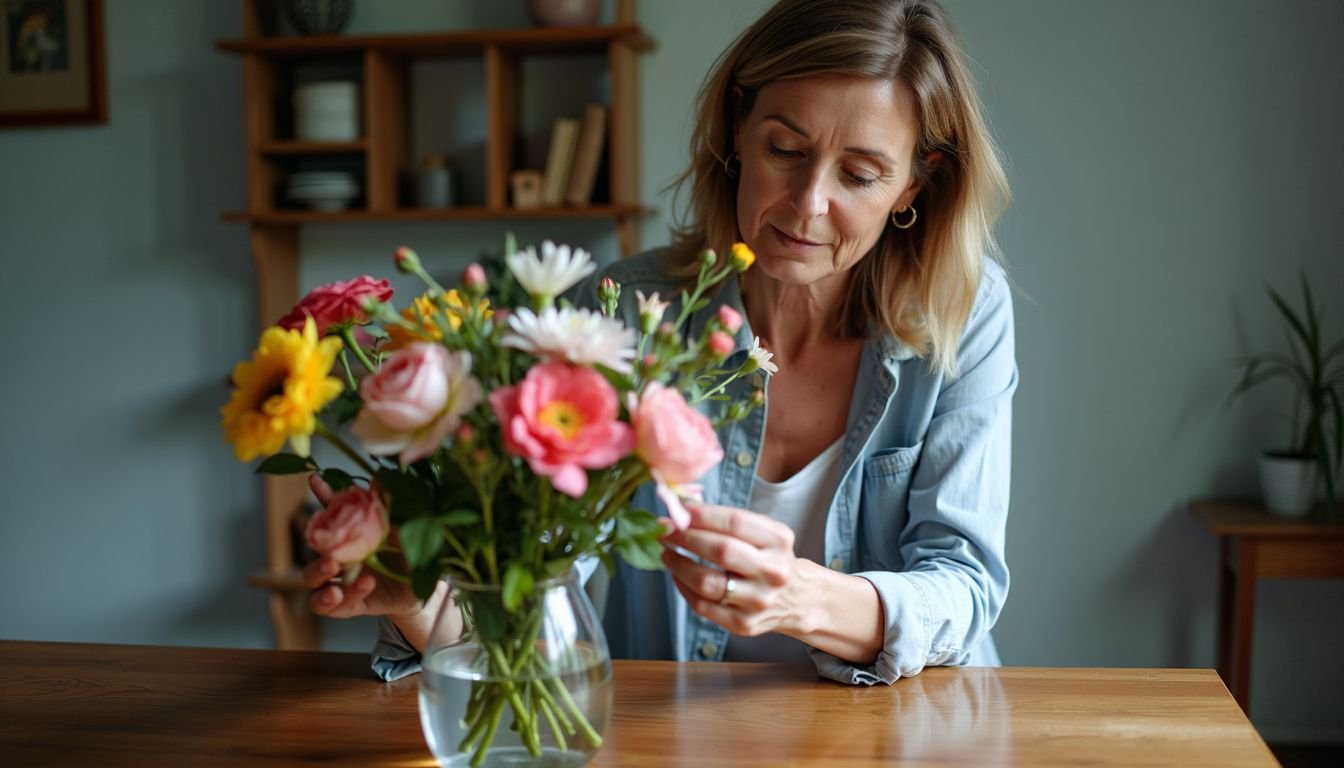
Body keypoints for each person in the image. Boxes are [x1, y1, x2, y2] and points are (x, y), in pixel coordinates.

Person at [303, 0, 1014, 686]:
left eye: (859, 175)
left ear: (914, 183)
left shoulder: (962, 314)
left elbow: (966, 583)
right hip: (669, 736)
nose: (808, 203)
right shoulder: (622, 313)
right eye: (786, 149)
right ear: (738, 127)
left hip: (905, 736)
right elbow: (536, 586)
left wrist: (801, 597)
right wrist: (422, 600)